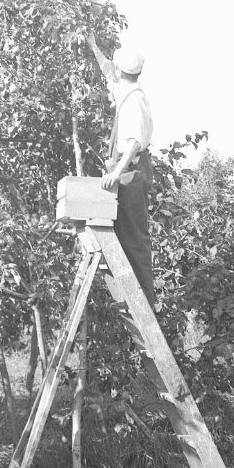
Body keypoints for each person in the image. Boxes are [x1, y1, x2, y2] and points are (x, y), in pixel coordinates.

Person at [86, 34, 156, 305]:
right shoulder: (125, 89)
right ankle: (131, 295)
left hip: (131, 171)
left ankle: (143, 301)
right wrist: (94, 48)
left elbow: (134, 141)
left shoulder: (134, 101)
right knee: (122, 237)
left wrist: (117, 173)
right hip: (126, 172)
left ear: (121, 69)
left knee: (135, 240)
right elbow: (109, 73)